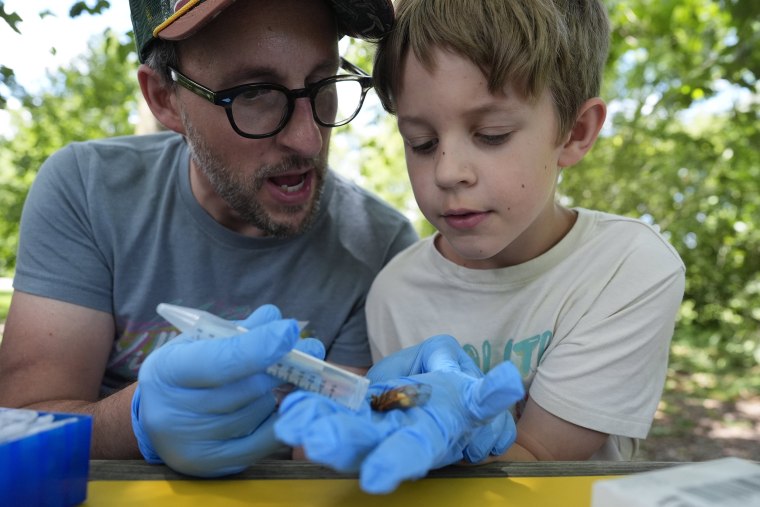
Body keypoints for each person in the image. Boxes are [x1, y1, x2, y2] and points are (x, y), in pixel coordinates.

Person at [0, 0, 420, 468]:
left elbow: (331, 455)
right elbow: (23, 420)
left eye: (323, 83)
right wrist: (135, 420)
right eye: (256, 93)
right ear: (164, 98)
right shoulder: (88, 190)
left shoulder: (379, 246)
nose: (309, 139)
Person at [274, 0, 686, 470]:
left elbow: (539, 461)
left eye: (491, 134)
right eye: (421, 143)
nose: (447, 172)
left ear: (575, 132)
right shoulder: (396, 289)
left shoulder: (623, 268)